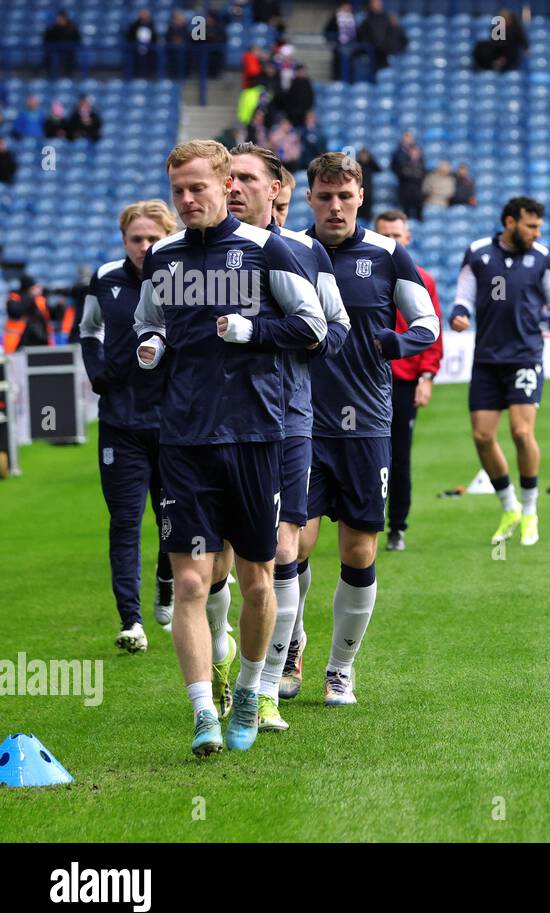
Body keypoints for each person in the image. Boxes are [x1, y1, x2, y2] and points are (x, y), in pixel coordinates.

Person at [132, 139, 328, 755]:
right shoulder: (162, 257)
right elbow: (149, 322)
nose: (187, 200)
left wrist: (254, 331)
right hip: (184, 438)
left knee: (256, 577)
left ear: (226, 186)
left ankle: (248, 688)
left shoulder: (266, 249)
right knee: (190, 582)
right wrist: (151, 347)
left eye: (198, 188)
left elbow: (315, 329)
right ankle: (201, 714)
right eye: (178, 191)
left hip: (254, 436)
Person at [297, 150, 439, 708]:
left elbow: (426, 320)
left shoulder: (387, 255)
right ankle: (290, 645)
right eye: (324, 196)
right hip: (298, 422)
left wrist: (397, 345)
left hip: (367, 425)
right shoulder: (288, 250)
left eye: (345, 196)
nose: (335, 206)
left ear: (361, 198)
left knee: (358, 550)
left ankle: (339, 669)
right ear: (309, 198)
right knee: (293, 545)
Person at [222, 145, 350, 730]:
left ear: (278, 189)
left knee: (282, 549)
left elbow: (335, 330)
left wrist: (263, 336)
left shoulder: (303, 251)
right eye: (228, 177)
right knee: (215, 558)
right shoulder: (195, 253)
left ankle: (268, 684)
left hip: (286, 417)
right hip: (212, 426)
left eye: (246, 178)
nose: (232, 188)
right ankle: (226, 665)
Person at [79, 200, 178, 653]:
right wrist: (98, 371)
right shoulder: (105, 278)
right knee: (124, 521)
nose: (144, 246)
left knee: (170, 519)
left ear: (167, 236)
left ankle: (166, 577)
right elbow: (89, 330)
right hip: (121, 421)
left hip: (175, 422)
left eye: (152, 239)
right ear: (124, 241)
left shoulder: (184, 279)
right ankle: (130, 620)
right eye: (136, 239)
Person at [450, 197, 550, 547]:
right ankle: (510, 506)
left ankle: (531, 508)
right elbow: (464, 296)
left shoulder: (542, 257)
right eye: (530, 226)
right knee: (483, 437)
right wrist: (459, 315)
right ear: (510, 222)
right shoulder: (477, 253)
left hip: (525, 355)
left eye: (538, 227)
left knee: (520, 433)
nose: (536, 233)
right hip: (487, 359)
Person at [373, 210, 443, 554]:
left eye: (397, 236)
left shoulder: (422, 280)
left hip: (403, 382)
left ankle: (396, 527)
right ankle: (358, 523)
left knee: (399, 458)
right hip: (366, 379)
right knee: (362, 455)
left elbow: (434, 333)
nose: (393, 241)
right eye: (386, 235)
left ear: (408, 239)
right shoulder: (362, 272)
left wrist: (427, 377)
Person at [390, 131, 426, 221]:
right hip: (405, 187)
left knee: (418, 209)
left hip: (417, 188)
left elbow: (423, 171)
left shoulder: (419, 156)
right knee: (406, 209)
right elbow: (396, 168)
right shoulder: (399, 153)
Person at [324, 2, 357, 81]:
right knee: (338, 68)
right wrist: (334, 42)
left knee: (350, 69)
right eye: (346, 6)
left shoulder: (353, 18)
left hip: (351, 49)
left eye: (349, 7)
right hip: (339, 48)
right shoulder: (334, 18)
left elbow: (357, 33)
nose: (348, 8)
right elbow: (327, 32)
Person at [43, 9, 82, 77]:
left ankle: (69, 75)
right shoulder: (52, 28)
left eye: (62, 18)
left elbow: (78, 39)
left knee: (70, 59)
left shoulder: (72, 28)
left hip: (68, 52)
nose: (60, 19)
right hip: (55, 51)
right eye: (59, 18)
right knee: (49, 58)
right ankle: (50, 76)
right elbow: (46, 39)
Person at [123, 10, 157, 79]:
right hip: (136, 48)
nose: (144, 16)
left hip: (149, 49)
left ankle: (150, 75)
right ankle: (134, 76)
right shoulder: (134, 25)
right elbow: (129, 37)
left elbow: (154, 37)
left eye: (146, 15)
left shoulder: (151, 25)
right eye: (143, 14)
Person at [355, 147, 379, 219]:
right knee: (358, 209)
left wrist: (371, 159)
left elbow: (378, 169)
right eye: (362, 155)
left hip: (368, 190)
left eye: (366, 155)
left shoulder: (370, 164)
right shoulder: (357, 164)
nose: (364, 157)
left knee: (367, 212)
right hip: (358, 189)